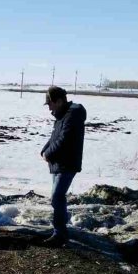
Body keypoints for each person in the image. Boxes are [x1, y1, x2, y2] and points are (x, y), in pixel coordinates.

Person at [40, 86, 86, 247]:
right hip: (59, 163)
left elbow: (64, 139)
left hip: (67, 163)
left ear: (59, 101)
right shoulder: (61, 115)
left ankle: (60, 234)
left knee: (57, 197)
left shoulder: (72, 115)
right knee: (57, 198)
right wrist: (44, 150)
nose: (49, 108)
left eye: (50, 104)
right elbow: (55, 137)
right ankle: (59, 231)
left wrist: (48, 154)